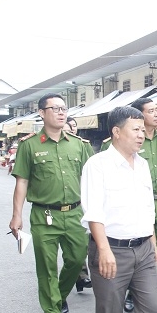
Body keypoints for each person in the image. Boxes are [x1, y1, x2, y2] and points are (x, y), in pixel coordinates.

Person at [81, 106, 157, 313]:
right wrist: (103, 249)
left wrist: (152, 242)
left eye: (143, 130)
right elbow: (93, 210)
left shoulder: (142, 165)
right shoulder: (97, 165)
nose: (142, 134)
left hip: (142, 247)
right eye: (136, 129)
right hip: (111, 248)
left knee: (152, 308)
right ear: (116, 132)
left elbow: (147, 207)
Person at [8, 93, 94, 313]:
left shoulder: (80, 145)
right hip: (44, 215)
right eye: (54, 108)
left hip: (75, 213)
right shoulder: (30, 145)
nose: (60, 112)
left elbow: (92, 180)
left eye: (63, 108)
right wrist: (16, 216)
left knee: (77, 260)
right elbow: (22, 181)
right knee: (46, 267)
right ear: (42, 113)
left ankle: (58, 296)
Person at [102, 98, 157, 313]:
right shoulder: (115, 144)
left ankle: (154, 292)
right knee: (131, 250)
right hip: (130, 204)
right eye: (151, 111)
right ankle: (130, 292)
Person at [64, 119, 93, 293]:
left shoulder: (83, 146)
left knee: (82, 244)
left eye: (74, 126)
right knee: (72, 249)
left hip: (83, 201)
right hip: (64, 204)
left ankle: (80, 276)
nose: (73, 130)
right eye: (69, 128)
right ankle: (81, 275)